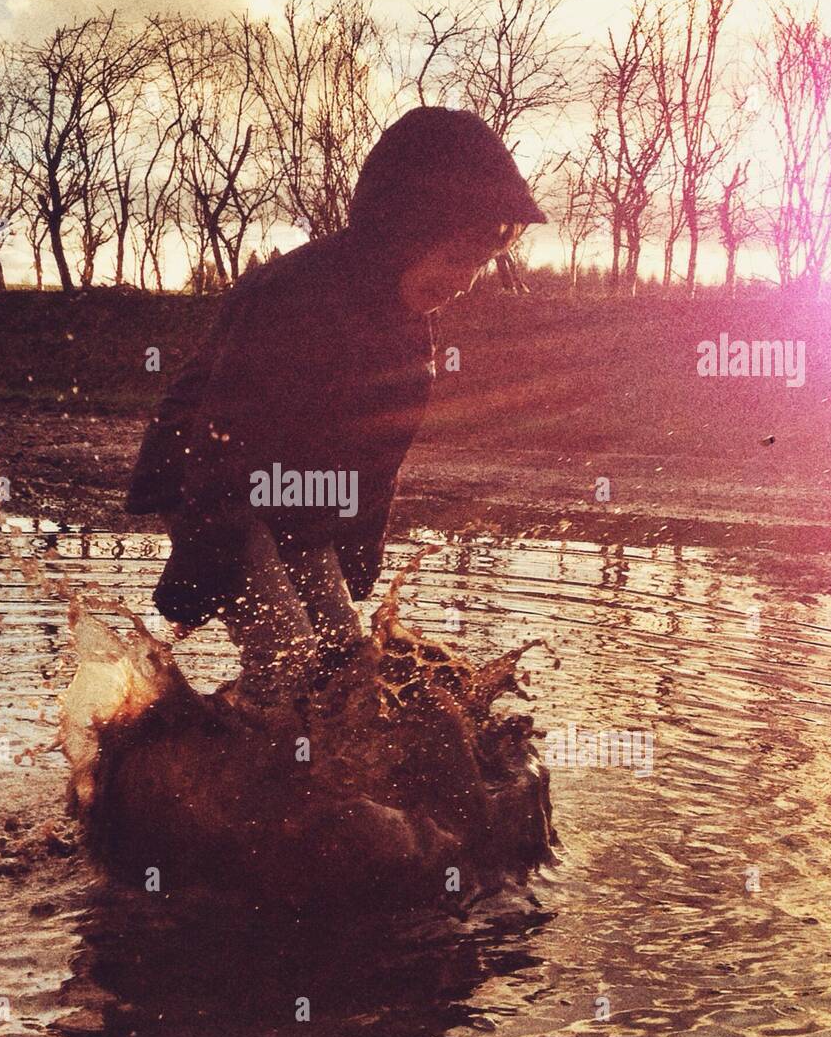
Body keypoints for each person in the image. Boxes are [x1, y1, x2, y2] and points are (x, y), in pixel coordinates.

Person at [124, 106, 546, 712]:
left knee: (346, 655)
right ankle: (211, 780)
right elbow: (220, 439)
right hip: (207, 477)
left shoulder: (408, 330)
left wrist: (354, 562)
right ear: (402, 232)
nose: (465, 282)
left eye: (480, 264)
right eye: (456, 258)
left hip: (294, 490)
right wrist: (204, 570)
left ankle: (301, 769)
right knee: (286, 651)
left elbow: (375, 462)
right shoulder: (292, 298)